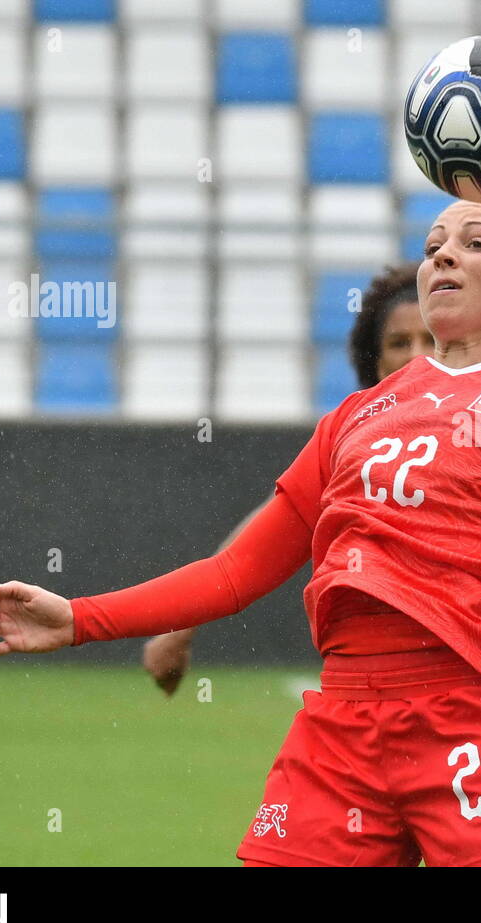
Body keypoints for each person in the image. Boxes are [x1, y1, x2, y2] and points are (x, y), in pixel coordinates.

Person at [0, 197, 481, 867]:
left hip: (475, 720)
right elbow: (236, 573)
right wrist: (80, 618)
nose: (442, 254)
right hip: (342, 724)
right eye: (435, 242)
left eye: (475, 243)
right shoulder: (357, 416)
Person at [143, 263, 435, 695]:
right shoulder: (354, 444)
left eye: (430, 340)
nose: (416, 356)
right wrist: (179, 627)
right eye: (398, 343)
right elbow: (259, 544)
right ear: (373, 362)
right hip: (384, 684)